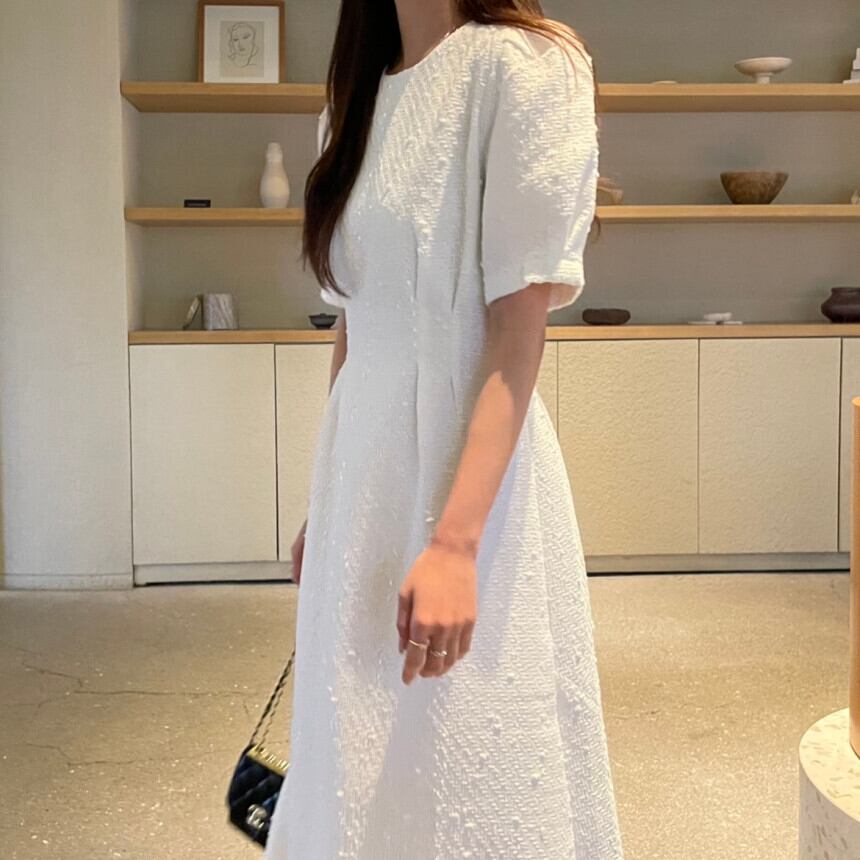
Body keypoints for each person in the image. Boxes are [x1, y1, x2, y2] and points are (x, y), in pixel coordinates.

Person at [264, 1, 624, 857]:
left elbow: (515, 330)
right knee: (356, 747)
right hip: (364, 478)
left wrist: (458, 544)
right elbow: (356, 319)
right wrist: (328, 505)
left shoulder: (522, 66)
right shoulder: (353, 98)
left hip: (465, 481)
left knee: (466, 751)